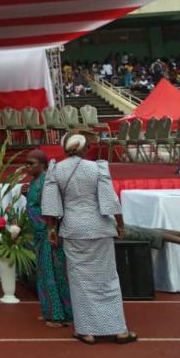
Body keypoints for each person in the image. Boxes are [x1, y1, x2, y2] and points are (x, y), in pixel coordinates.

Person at [42, 133, 138, 345]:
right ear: (85, 149)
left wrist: (51, 231)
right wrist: (120, 225)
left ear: (65, 149)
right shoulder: (97, 168)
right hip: (100, 228)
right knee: (108, 279)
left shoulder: (56, 170)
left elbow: (50, 206)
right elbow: (109, 200)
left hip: (73, 230)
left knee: (79, 281)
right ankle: (119, 330)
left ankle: (87, 331)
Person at [21, 150, 74, 328]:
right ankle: (49, 311)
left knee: (53, 274)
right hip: (38, 233)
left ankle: (60, 315)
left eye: (32, 163)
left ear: (43, 165)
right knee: (43, 273)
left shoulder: (47, 182)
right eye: (26, 163)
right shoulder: (35, 181)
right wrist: (26, 195)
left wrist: (52, 232)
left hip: (48, 233)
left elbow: (52, 208)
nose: (27, 167)